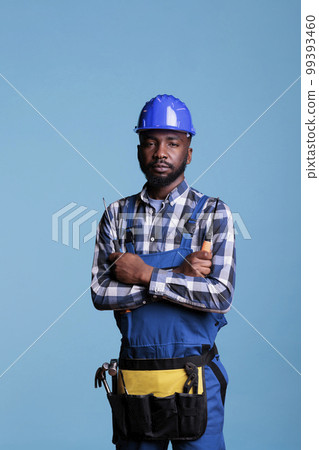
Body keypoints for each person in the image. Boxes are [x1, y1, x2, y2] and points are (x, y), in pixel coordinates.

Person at [91, 94, 236, 450]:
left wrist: (144, 274)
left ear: (188, 151)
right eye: (151, 142)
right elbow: (100, 293)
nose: (161, 152)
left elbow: (220, 296)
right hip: (136, 378)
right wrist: (182, 275)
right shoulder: (116, 215)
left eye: (173, 143)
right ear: (139, 149)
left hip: (194, 378)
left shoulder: (213, 214)